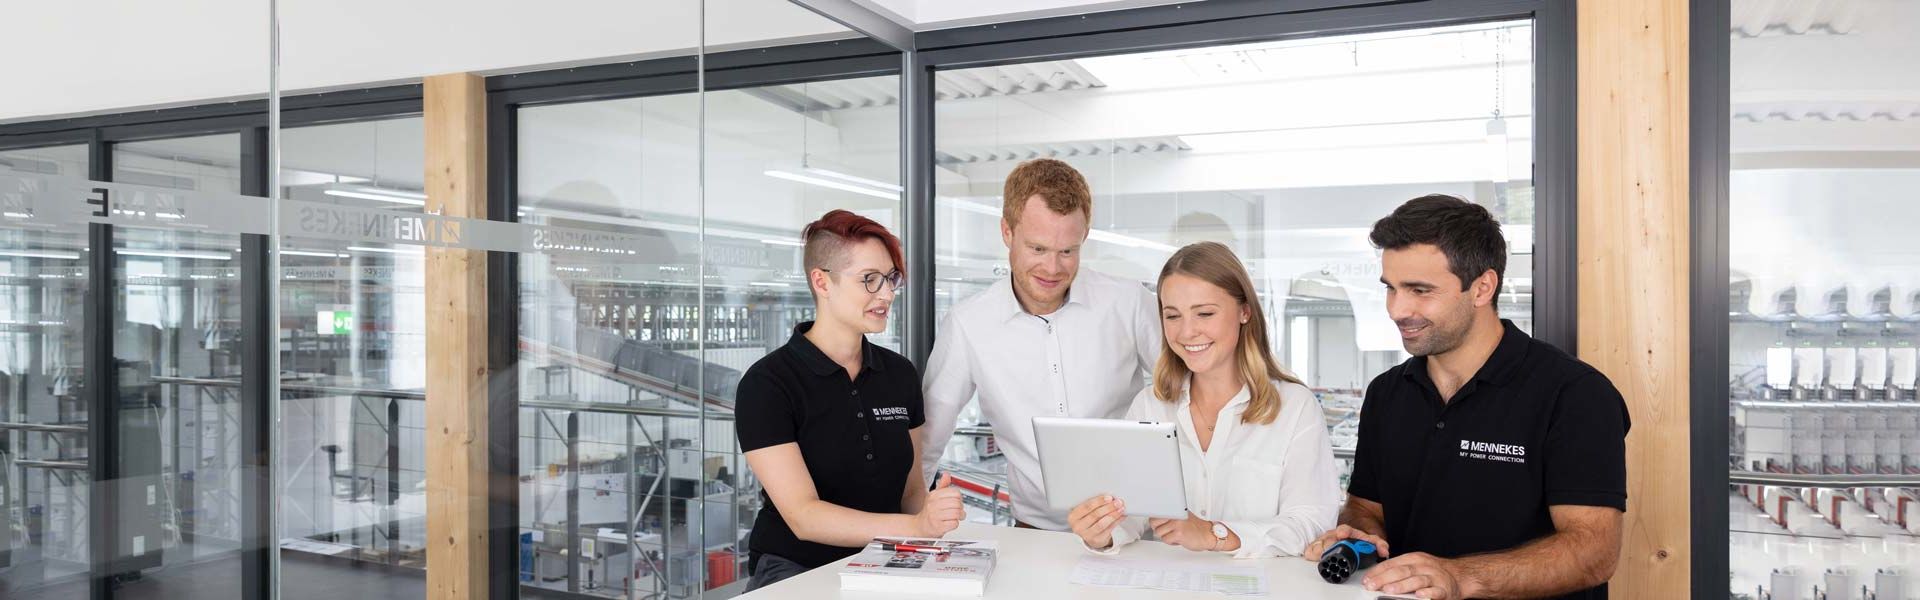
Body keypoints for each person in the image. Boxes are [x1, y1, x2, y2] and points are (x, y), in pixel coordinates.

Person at [1302, 195, 1629, 600]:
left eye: (1420, 290)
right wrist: (1361, 536)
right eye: (1391, 289)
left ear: (1482, 288)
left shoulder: (1575, 394)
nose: (1397, 309)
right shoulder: (1386, 393)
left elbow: (1594, 552)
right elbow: (1366, 508)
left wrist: (1459, 577)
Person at [921, 158, 1162, 531]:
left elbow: (1187, 393)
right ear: (1006, 232)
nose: (1052, 269)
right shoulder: (969, 324)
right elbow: (929, 437)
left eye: (1068, 251)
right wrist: (908, 524)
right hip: (1035, 531)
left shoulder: (1128, 302)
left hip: (1131, 526)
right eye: (1037, 249)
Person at [734, 210, 966, 591]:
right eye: (869, 280)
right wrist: (915, 527)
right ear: (822, 282)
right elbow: (804, 516)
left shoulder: (899, 374)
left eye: (891, 279)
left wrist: (933, 519)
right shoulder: (767, 384)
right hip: (796, 568)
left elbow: (910, 493)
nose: (887, 294)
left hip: (886, 560)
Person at [1066, 242, 1341, 557]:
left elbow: (1312, 521)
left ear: (1244, 311)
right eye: (1173, 316)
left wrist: (1215, 534)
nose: (1187, 332)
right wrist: (1101, 531)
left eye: (1205, 313)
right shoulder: (1150, 405)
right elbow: (1132, 513)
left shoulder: (1295, 407)